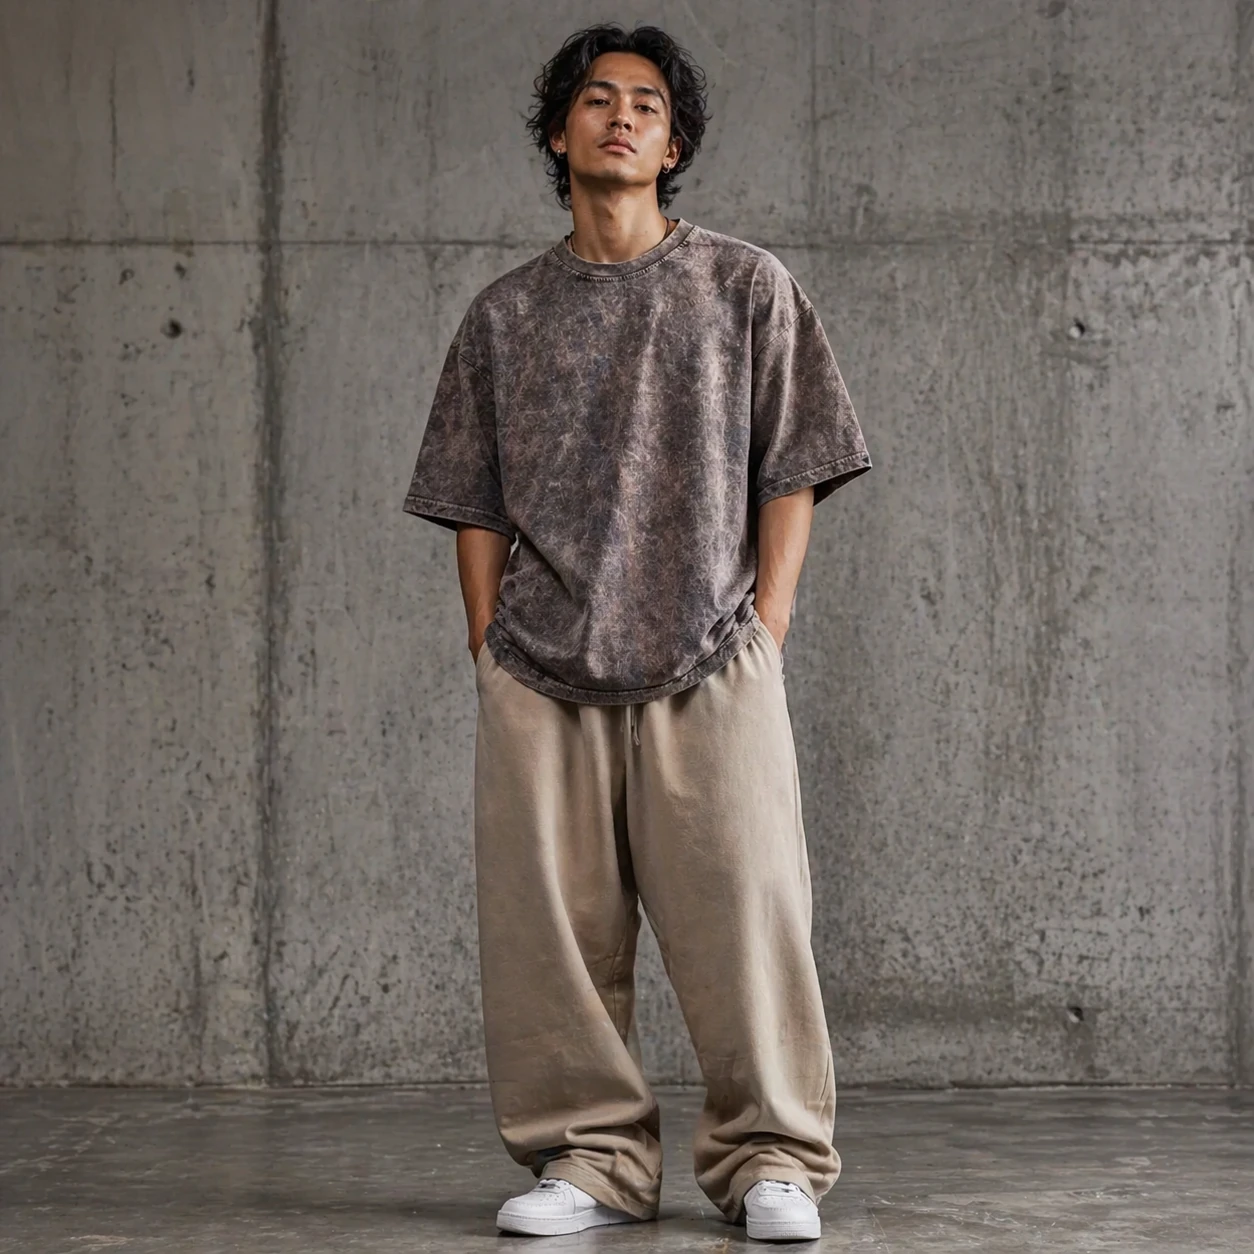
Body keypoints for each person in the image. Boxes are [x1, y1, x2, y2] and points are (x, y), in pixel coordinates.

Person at [402, 21, 871, 1243]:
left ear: (673, 145)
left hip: (711, 654)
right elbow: (471, 498)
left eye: (648, 105)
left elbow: (796, 465)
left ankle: (771, 1161)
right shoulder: (504, 317)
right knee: (550, 937)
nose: (622, 117)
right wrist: (487, 645)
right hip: (540, 666)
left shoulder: (745, 288)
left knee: (748, 918)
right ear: (559, 135)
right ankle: (591, 1161)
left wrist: (767, 626)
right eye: (598, 100)